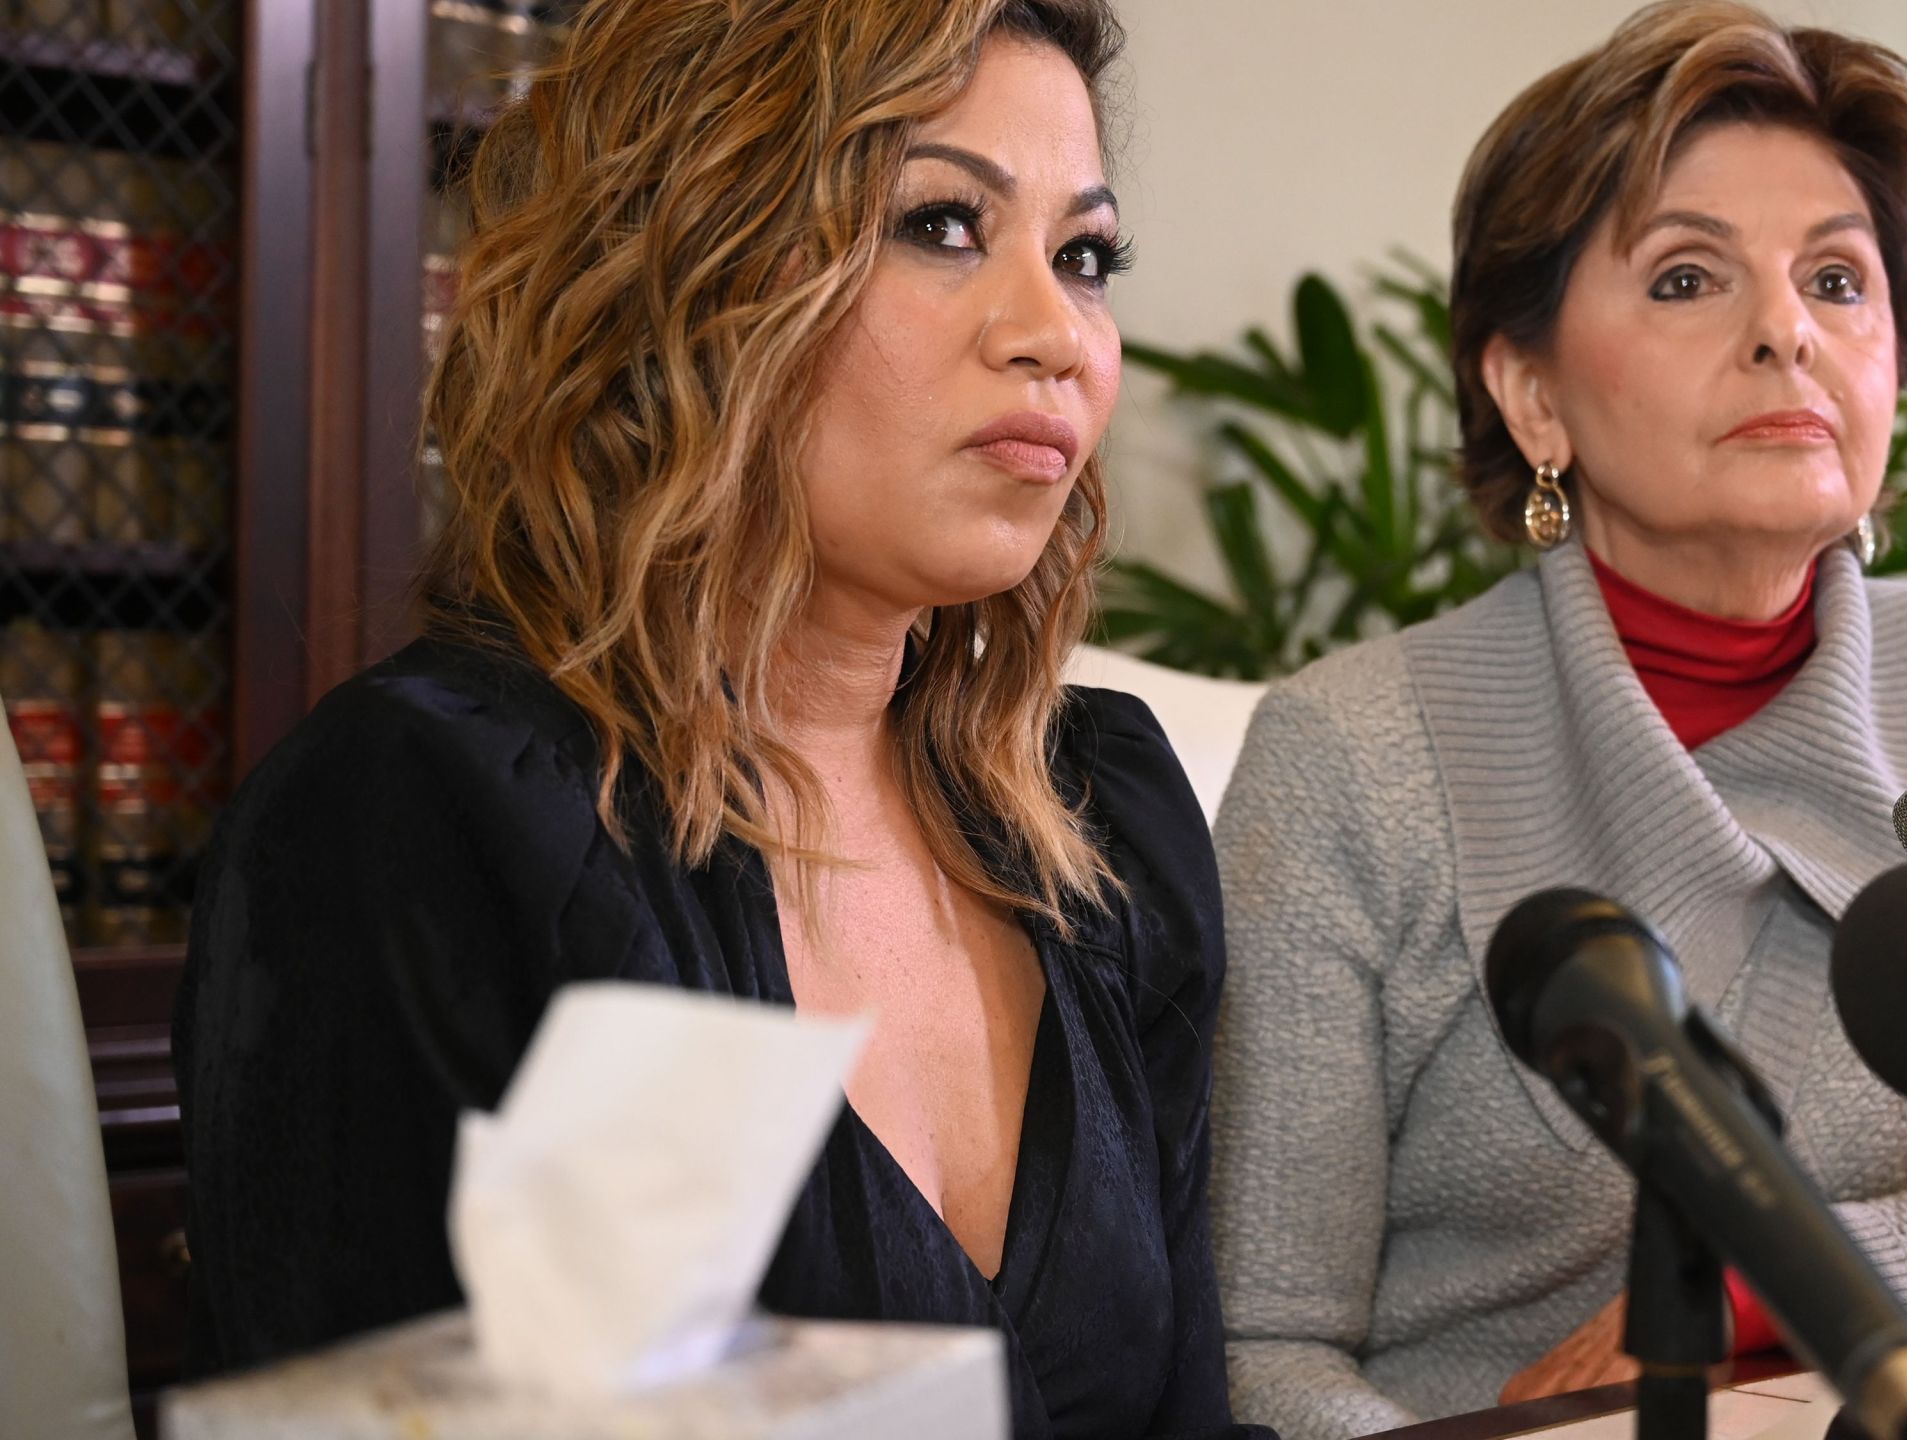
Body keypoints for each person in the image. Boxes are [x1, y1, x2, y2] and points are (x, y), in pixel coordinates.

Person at [173, 4, 1267, 1436]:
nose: (1057, 333)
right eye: (942, 224)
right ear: (691, 275)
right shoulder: (443, 819)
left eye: (1085, 257)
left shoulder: (1098, 828)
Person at [1206, 4, 1907, 1435]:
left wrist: (1774, 1276)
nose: (1784, 333)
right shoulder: (1352, 760)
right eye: (1688, 277)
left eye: (1837, 281)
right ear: (1530, 391)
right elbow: (1260, 1352)